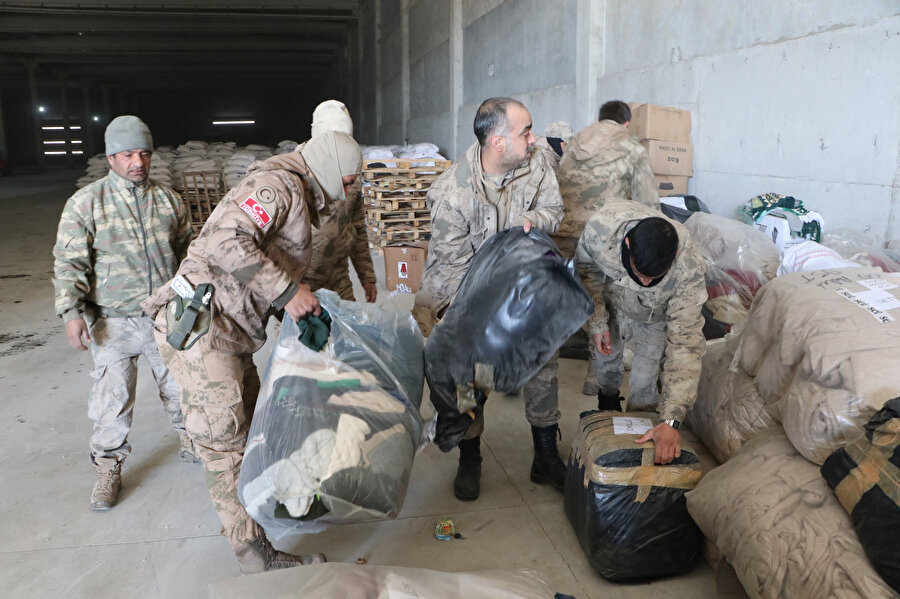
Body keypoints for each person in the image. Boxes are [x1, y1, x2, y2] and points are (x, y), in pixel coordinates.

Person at [142, 131, 362, 575]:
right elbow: (226, 241)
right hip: (202, 328)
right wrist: (286, 292)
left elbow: (266, 259)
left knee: (255, 428)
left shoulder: (301, 192)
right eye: (349, 179)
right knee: (225, 442)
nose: (351, 189)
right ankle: (253, 553)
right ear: (330, 169)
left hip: (233, 329)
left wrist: (296, 312)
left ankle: (265, 514)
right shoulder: (276, 187)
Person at [413, 97, 566, 501]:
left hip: (518, 283)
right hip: (464, 296)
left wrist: (534, 220)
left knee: (543, 357)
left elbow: (555, 208)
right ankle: (470, 453)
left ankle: (546, 454)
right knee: (469, 375)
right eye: (525, 132)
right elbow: (450, 279)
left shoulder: (535, 164)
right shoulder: (453, 194)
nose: (534, 139)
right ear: (497, 142)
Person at [52, 115, 197, 512]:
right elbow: (69, 263)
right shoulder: (87, 203)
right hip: (112, 321)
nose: (138, 161)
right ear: (111, 157)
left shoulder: (169, 199)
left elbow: (188, 254)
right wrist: (71, 312)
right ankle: (108, 467)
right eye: (128, 154)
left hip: (165, 317)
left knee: (182, 388)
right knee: (112, 401)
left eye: (144, 153)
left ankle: (192, 441)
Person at [575, 199, 707, 464]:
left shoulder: (688, 268)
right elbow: (585, 274)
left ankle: (638, 439)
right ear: (626, 246)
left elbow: (686, 345)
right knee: (606, 361)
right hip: (612, 297)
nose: (646, 282)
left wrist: (671, 420)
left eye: (653, 277)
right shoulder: (601, 231)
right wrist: (598, 322)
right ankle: (607, 408)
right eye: (641, 274)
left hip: (654, 314)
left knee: (644, 382)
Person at [300, 100, 377, 303]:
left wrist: (367, 276)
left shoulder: (351, 175)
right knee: (304, 334)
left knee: (349, 331)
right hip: (302, 281)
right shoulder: (295, 175)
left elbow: (358, 227)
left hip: (338, 277)